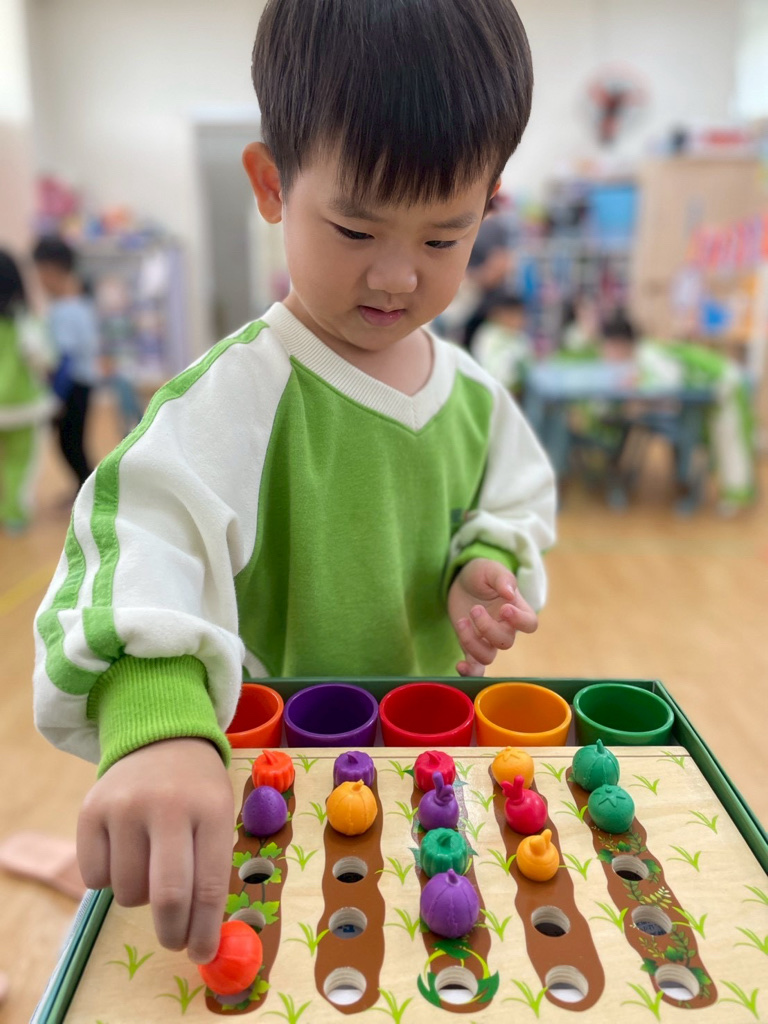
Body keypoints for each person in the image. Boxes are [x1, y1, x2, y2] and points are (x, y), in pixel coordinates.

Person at [33, 0, 556, 966]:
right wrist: (159, 725)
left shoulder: (476, 396)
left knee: (426, 964)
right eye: (355, 228)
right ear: (272, 185)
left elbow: (513, 498)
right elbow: (133, 547)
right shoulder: (237, 395)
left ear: (489, 206)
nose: (396, 276)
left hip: (421, 769)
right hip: (270, 785)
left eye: (442, 239)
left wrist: (480, 560)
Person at [32, 236, 99, 491]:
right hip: (80, 383)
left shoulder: (65, 310)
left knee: (71, 444)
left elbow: (66, 360)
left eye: (40, 273)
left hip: (73, 385)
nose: (39, 280)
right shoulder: (79, 304)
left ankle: (89, 491)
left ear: (53, 270)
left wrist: (57, 397)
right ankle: (82, 489)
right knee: (71, 443)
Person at [0, 251, 55, 531]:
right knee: (21, 463)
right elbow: (43, 358)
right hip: (22, 406)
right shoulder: (24, 320)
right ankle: (14, 516)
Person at [470, 292, 532, 396]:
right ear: (498, 315)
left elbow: (527, 364)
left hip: (518, 389)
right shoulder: (488, 335)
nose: (518, 321)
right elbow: (486, 364)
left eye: (521, 316)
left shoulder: (521, 338)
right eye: (513, 316)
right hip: (491, 387)